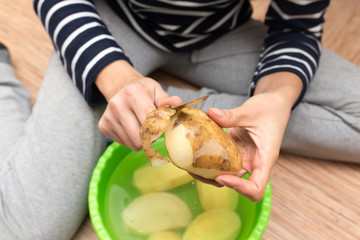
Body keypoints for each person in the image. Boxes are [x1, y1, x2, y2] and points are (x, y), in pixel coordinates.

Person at [1, 0, 359, 239]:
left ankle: (158, 106)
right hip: (107, 30)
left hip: (222, 32)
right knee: (26, 229)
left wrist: (275, 100)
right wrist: (113, 78)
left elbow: (296, 27)